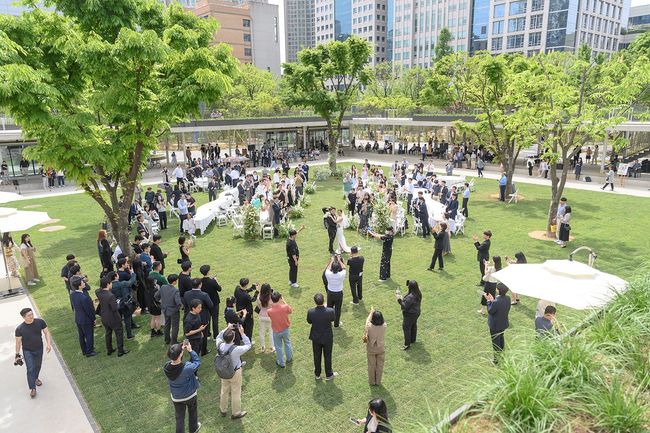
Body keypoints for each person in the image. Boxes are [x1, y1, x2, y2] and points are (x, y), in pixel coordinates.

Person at [163, 341, 202, 433]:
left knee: (179, 418)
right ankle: (193, 429)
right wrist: (190, 350)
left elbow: (173, 358)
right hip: (190, 395)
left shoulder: (166, 367)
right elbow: (197, 362)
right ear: (181, 354)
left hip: (176, 397)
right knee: (192, 412)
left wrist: (179, 348)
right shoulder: (187, 367)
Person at [216, 324, 252, 419]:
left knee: (224, 390)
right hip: (235, 372)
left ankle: (223, 410)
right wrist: (242, 334)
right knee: (235, 392)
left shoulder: (220, 345)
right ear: (233, 338)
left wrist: (227, 328)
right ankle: (236, 413)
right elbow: (248, 345)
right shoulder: (236, 349)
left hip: (223, 371)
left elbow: (218, 336)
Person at [15, 307, 52, 398]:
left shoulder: (40, 322)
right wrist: (17, 355)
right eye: (29, 315)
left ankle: (35, 378)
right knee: (30, 368)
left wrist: (49, 344)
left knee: (38, 366)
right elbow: (18, 342)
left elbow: (46, 332)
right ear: (24, 317)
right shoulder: (19, 329)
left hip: (39, 348)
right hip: (27, 351)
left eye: (32, 314)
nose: (31, 316)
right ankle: (33, 388)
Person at [306, 293, 337, 380]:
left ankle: (317, 374)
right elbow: (333, 319)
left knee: (316, 355)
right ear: (324, 300)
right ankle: (329, 374)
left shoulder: (311, 312)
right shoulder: (330, 311)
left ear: (315, 302)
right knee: (328, 355)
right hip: (327, 337)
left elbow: (309, 321)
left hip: (316, 337)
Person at [97, 274, 129, 357]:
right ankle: (120, 351)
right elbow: (115, 308)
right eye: (111, 283)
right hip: (113, 318)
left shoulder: (99, 293)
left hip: (104, 317)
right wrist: (118, 303)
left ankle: (109, 349)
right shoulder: (110, 295)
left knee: (108, 333)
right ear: (108, 284)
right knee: (119, 333)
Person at [183, 279, 213, 355]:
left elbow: (185, 304)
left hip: (191, 315)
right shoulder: (204, 295)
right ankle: (203, 350)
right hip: (203, 317)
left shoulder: (186, 294)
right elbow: (210, 305)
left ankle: (195, 350)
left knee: (198, 334)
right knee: (204, 334)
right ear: (200, 285)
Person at [70, 276, 97, 357]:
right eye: (82, 282)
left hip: (78, 318)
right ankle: (89, 351)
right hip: (86, 320)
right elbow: (89, 311)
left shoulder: (73, 295)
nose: (84, 283)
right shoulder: (84, 298)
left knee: (81, 336)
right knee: (89, 335)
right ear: (79, 286)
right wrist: (94, 319)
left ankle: (84, 350)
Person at [486, 283, 511, 364]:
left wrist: (489, 301)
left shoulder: (496, 302)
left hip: (495, 325)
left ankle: (496, 360)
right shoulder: (508, 298)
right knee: (501, 337)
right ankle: (502, 353)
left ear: (498, 290)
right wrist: (492, 301)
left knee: (495, 342)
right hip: (503, 323)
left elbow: (490, 311)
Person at [267, 291, 293, 368]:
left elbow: (271, 310)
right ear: (280, 298)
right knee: (287, 343)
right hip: (285, 329)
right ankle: (289, 358)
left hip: (276, 331)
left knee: (278, 347)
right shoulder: (285, 307)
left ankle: (281, 363)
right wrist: (283, 301)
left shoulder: (269, 311)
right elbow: (290, 311)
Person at [156, 274, 183, 345]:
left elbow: (156, 296)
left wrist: (161, 302)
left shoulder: (163, 287)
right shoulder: (175, 291)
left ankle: (167, 339)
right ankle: (174, 341)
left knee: (167, 324)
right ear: (174, 282)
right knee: (175, 326)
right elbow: (178, 302)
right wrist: (181, 307)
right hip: (174, 311)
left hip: (165, 309)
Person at [364, 307, 386, 386]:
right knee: (380, 365)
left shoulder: (369, 326)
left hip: (371, 348)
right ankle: (378, 381)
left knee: (371, 365)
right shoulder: (384, 326)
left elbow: (367, 321)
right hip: (380, 348)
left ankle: (372, 381)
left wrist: (371, 312)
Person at [396, 280, 422, 350]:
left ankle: (407, 344)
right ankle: (413, 339)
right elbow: (408, 302)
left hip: (410, 315)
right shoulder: (418, 293)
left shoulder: (410, 297)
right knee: (413, 325)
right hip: (416, 312)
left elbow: (404, 306)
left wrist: (399, 299)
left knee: (406, 327)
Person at [199, 265, 222, 338]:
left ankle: (207, 334)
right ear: (208, 272)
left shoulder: (200, 281)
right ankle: (216, 336)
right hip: (214, 302)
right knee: (215, 319)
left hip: (205, 303)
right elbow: (219, 289)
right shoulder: (212, 281)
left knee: (207, 319)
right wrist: (216, 280)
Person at [324, 255, 346, 328]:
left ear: (332, 268)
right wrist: (339, 260)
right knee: (338, 309)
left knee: (329, 307)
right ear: (338, 268)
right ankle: (336, 324)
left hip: (330, 292)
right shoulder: (342, 274)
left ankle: (328, 322)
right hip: (339, 293)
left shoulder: (328, 274)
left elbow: (327, 268)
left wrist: (332, 260)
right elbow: (344, 267)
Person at [256, 283, 275, 353]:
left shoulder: (259, 297)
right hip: (270, 316)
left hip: (261, 316)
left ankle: (262, 347)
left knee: (261, 332)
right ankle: (272, 347)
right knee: (271, 332)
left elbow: (258, 306)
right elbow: (274, 306)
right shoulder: (272, 297)